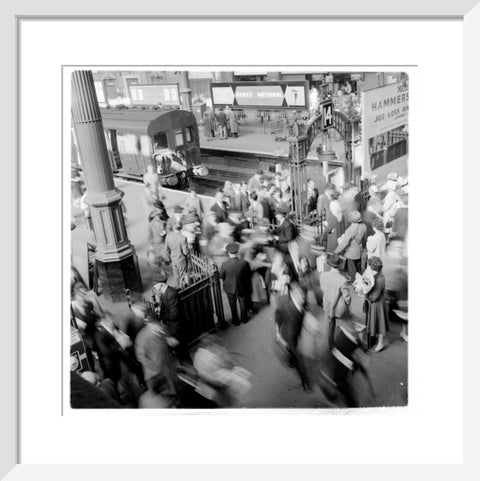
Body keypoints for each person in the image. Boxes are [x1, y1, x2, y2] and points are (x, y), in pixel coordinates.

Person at [274, 282, 311, 391]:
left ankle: (290, 359)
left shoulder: (303, 301)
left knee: (291, 353)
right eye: (300, 296)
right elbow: (278, 317)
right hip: (288, 336)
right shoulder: (283, 301)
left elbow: (304, 312)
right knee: (299, 360)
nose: (303, 298)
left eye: (303, 295)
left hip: (296, 332)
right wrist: (277, 333)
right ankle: (305, 381)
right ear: (293, 295)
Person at [134, 308, 178, 395]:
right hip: (154, 375)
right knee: (161, 398)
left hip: (167, 369)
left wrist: (169, 340)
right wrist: (154, 365)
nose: (158, 327)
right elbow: (140, 356)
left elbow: (165, 337)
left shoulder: (161, 328)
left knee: (173, 394)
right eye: (155, 325)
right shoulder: (142, 337)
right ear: (148, 324)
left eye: (157, 324)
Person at [319, 253, 352, 350]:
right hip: (338, 308)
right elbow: (347, 298)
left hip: (327, 304)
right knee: (340, 326)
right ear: (339, 266)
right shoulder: (342, 280)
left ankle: (330, 344)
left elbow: (322, 287)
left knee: (330, 324)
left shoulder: (323, 275)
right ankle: (340, 344)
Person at [219, 242, 252, 326]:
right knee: (243, 302)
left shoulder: (224, 265)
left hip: (229, 287)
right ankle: (244, 319)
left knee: (232, 303)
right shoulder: (244, 263)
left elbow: (221, 276)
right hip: (242, 286)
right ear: (237, 252)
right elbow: (248, 274)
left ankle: (235, 320)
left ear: (228, 253)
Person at [363, 256, 389, 352]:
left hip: (377, 303)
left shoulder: (379, 279)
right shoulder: (378, 275)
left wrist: (365, 294)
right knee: (377, 321)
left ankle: (381, 343)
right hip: (376, 302)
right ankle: (377, 340)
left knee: (380, 323)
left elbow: (374, 296)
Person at [334, 210, 367, 282]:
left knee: (352, 273)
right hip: (359, 251)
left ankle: (354, 286)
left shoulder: (350, 229)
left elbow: (344, 243)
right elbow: (364, 239)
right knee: (359, 271)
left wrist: (336, 251)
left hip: (351, 254)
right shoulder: (364, 226)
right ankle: (361, 284)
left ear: (351, 219)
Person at [165, 222, 190, 288]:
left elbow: (166, 250)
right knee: (182, 276)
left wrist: (169, 258)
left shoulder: (168, 236)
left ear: (174, 228)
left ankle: (178, 287)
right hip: (181, 261)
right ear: (181, 229)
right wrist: (188, 249)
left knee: (176, 276)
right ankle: (183, 289)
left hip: (174, 260)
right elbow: (185, 252)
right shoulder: (183, 238)